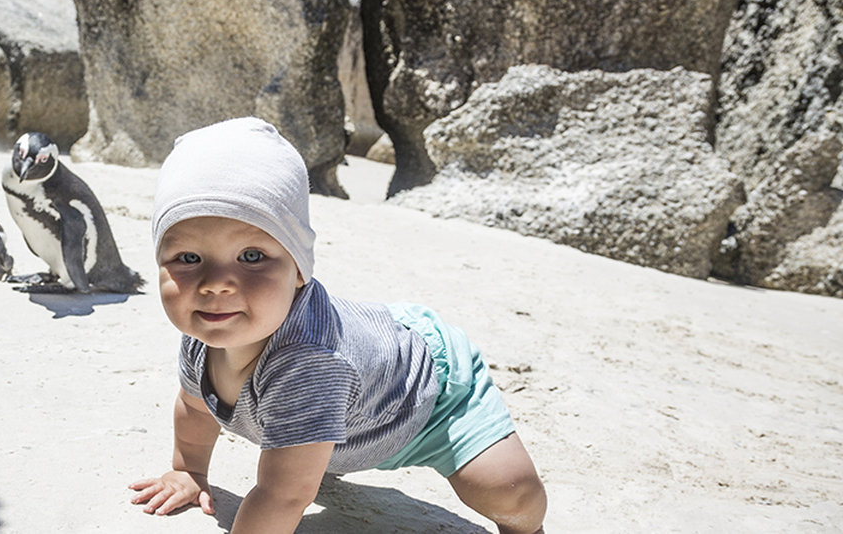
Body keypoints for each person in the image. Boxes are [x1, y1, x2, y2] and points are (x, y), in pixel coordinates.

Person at [129, 117, 547, 534]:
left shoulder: (311, 364)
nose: (215, 284)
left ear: (298, 269)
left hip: (425, 398)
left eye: (252, 257)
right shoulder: (209, 328)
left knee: (509, 492)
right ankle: (318, 442)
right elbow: (195, 406)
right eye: (188, 258)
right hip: (351, 402)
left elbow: (284, 494)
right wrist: (189, 472)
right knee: (302, 449)